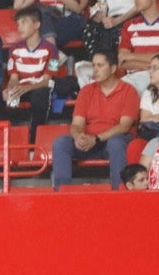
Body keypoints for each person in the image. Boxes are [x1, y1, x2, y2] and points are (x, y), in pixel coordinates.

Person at [52, 50, 137, 189]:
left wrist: (96, 138)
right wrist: (78, 136)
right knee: (61, 143)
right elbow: (76, 124)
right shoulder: (86, 91)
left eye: (100, 65)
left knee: (116, 143)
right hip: (89, 141)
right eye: (94, 66)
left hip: (113, 140)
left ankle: (120, 192)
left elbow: (124, 127)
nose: (95, 70)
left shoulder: (128, 91)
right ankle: (62, 193)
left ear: (113, 69)